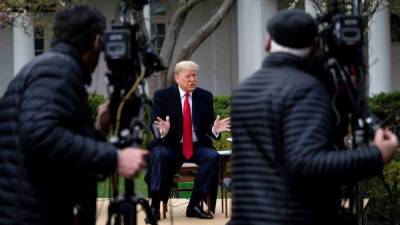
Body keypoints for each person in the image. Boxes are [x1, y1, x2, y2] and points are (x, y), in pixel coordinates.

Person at [230, 9, 398, 225]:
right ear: (315, 45)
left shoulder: (245, 89)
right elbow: (306, 162)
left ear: (268, 42)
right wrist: (377, 155)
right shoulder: (306, 89)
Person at [0, 5, 147, 225]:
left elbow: (59, 153)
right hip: (34, 215)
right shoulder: (58, 69)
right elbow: (40, 134)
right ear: (97, 42)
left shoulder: (46, 67)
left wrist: (98, 129)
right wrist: (115, 157)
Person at [145, 60, 230, 220]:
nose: (192, 79)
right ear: (177, 78)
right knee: (159, 155)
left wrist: (214, 129)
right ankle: (154, 207)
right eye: (188, 76)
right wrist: (163, 131)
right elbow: (155, 124)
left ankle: (194, 205)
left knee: (212, 156)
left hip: (196, 146)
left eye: (194, 76)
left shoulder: (204, 96)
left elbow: (209, 123)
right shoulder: (162, 96)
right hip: (170, 144)